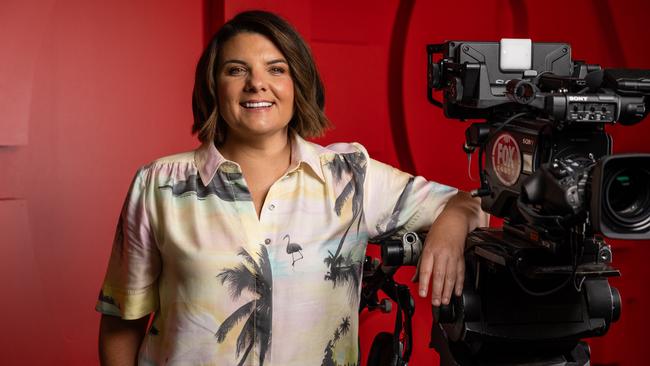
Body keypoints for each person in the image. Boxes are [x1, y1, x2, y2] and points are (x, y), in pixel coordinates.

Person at [96, 10, 486, 366]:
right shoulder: (160, 184)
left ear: (298, 81)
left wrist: (451, 227)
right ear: (213, 85)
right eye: (236, 70)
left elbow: (470, 203)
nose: (257, 84)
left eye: (276, 69)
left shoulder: (350, 175)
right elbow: (121, 321)